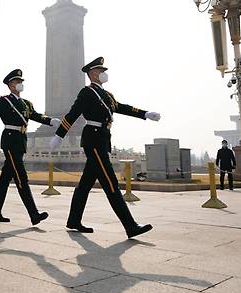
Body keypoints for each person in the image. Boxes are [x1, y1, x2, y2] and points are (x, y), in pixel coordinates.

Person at [50, 57, 160, 238]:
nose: (104, 73)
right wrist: (59, 136)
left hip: (103, 139)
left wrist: (145, 114)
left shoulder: (106, 95)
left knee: (85, 183)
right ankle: (130, 225)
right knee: (110, 182)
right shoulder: (86, 93)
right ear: (93, 73)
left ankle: (74, 220)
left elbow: (121, 107)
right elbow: (72, 114)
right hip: (93, 140)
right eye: (101, 71)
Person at [0, 69, 60, 225]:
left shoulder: (26, 103)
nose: (20, 84)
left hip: (20, 141)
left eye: (20, 82)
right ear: (10, 85)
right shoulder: (4, 101)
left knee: (4, 180)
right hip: (10, 141)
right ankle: (34, 214)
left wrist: (50, 121)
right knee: (21, 178)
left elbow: (36, 115)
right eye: (17, 82)